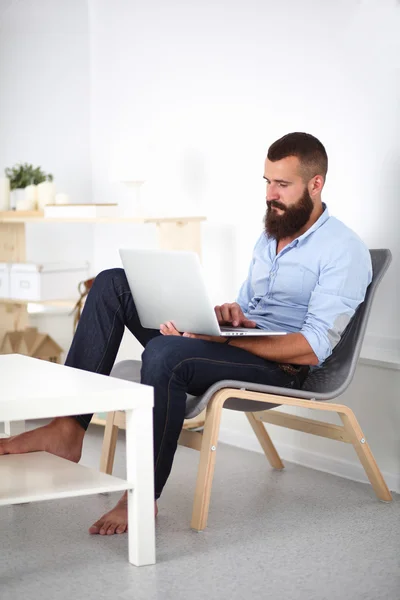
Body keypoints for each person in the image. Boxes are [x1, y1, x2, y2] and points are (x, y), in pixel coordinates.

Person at [0, 132, 372, 535]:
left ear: (316, 184)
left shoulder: (343, 250)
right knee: (112, 284)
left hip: (282, 368)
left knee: (164, 354)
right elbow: (252, 309)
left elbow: (313, 350)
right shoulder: (271, 236)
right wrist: (226, 317)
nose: (271, 194)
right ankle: (68, 428)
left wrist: (221, 339)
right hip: (238, 345)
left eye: (282, 184)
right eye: (266, 182)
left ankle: (142, 496)